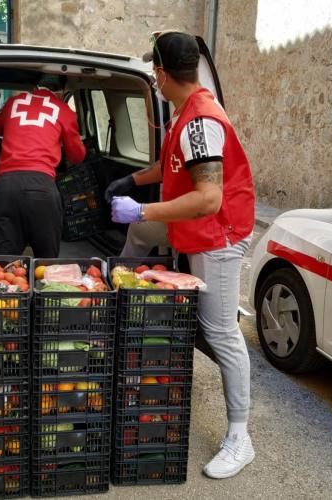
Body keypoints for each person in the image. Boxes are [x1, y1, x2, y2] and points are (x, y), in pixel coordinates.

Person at [108, 31, 256, 479]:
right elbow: (171, 166)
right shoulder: (183, 115)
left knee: (221, 332)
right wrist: (133, 181)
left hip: (217, 235)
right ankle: (120, 298)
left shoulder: (200, 121)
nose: (154, 80)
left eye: (153, 72)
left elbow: (209, 198)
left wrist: (143, 207)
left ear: (161, 73)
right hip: (193, 228)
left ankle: (240, 436)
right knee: (140, 232)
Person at [0, 75, 85, 257]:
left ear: (36, 86)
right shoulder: (63, 110)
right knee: (46, 261)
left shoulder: (14, 102)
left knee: (2, 258)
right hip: (42, 187)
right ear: (61, 92)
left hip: (7, 186)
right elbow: (77, 156)